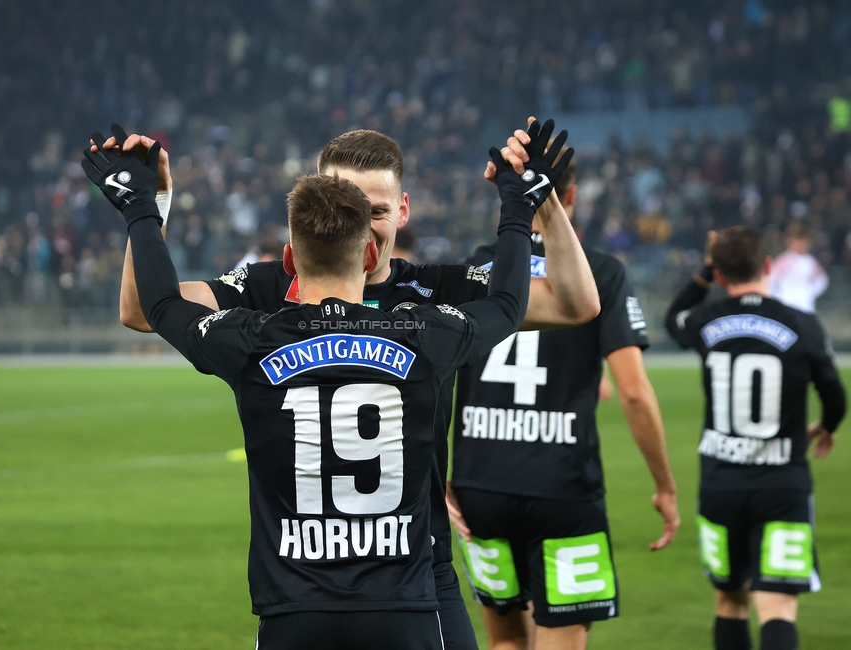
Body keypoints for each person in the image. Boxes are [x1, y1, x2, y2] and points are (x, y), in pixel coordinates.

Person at [105, 122, 600, 648]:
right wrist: (523, 206)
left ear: (403, 210)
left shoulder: (433, 287)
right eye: (348, 206)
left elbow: (575, 302)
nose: (361, 223)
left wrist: (546, 202)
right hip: (345, 585)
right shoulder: (274, 287)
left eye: (376, 211)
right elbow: (138, 311)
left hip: (412, 571)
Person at [447, 148, 680, 650]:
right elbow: (635, 393)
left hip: (479, 487)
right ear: (569, 195)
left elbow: (438, 375)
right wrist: (665, 485)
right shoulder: (603, 273)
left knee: (507, 641)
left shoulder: (472, 270)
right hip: (562, 488)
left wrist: (439, 472)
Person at [665, 226, 846, 650]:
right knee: (778, 607)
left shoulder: (706, 320)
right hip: (782, 484)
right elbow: (835, 395)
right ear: (767, 266)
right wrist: (827, 427)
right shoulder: (802, 323)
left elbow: (673, 318)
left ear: (720, 274)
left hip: (720, 484)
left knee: (729, 601)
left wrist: (704, 274)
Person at [768, 220, 829, 314]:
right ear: (790, 242)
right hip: (786, 303)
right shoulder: (784, 260)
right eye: (798, 242)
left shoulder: (811, 262)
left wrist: (809, 292)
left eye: (804, 242)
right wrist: (777, 297)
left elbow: (822, 281)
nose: (801, 245)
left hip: (805, 305)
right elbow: (771, 280)